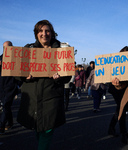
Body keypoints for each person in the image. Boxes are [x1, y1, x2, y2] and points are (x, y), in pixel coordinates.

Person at [15, 20, 71, 150]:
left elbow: (67, 76)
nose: (44, 34)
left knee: (46, 131)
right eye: (40, 31)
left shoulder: (61, 51)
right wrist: (24, 76)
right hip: (33, 98)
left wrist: (59, 78)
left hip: (51, 99)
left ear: (52, 33)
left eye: (47, 31)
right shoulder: (28, 49)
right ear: (36, 34)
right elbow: (15, 71)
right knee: (39, 129)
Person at [108, 46, 128, 144]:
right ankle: (123, 133)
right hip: (116, 89)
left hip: (125, 89)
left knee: (121, 109)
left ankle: (112, 128)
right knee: (121, 109)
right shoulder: (117, 64)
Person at [0, 41, 18, 134]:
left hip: (10, 86)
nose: (5, 49)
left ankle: (1, 126)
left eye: (7, 47)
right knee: (6, 106)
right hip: (1, 86)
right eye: (4, 47)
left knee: (6, 105)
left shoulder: (16, 59)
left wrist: (17, 85)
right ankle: (10, 123)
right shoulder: (0, 58)